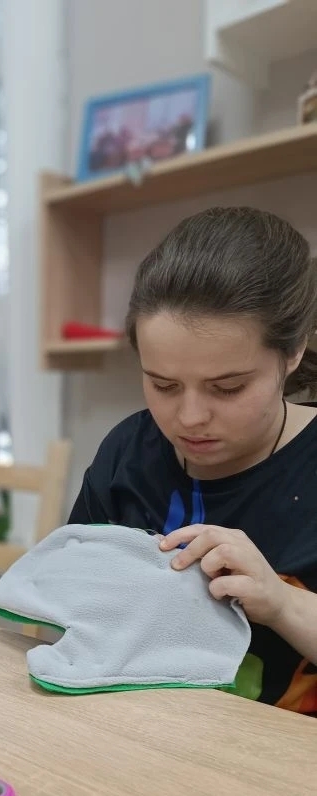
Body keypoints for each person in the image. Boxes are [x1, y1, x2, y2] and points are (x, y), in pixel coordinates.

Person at [68, 206, 317, 714]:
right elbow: (71, 605)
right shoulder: (127, 453)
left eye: (228, 387)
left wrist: (282, 603)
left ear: (293, 351)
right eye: (163, 385)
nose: (189, 418)